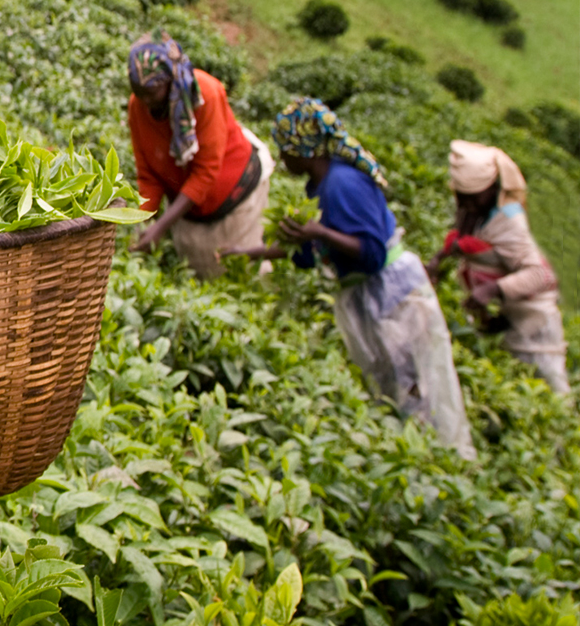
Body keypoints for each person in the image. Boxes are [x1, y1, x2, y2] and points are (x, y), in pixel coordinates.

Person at [230, 98, 475, 460]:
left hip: (391, 294)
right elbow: (312, 253)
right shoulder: (320, 186)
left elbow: (371, 253)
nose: (283, 160)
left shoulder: (341, 184)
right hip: (369, 296)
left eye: (286, 151)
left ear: (304, 149)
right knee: (393, 384)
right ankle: (418, 457)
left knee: (418, 382)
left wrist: (319, 232)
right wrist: (255, 253)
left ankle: (446, 459)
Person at [429, 140, 568, 396]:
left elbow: (541, 274)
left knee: (550, 385)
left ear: (493, 188)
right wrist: (438, 261)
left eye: (473, 197)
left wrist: (490, 290)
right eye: (461, 196)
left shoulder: (511, 220)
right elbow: (465, 242)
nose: (466, 203)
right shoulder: (475, 211)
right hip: (507, 315)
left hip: (534, 319)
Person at [125, 33, 269, 278]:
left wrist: (160, 227)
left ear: (169, 80)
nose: (145, 101)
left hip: (236, 200)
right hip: (190, 208)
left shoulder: (206, 94)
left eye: (151, 93)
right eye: (139, 93)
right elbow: (148, 173)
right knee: (198, 275)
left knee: (241, 275)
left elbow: (205, 171)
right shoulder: (138, 106)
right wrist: (141, 220)